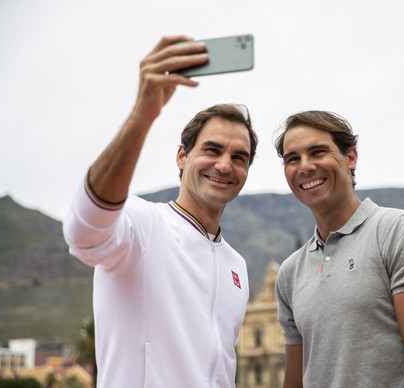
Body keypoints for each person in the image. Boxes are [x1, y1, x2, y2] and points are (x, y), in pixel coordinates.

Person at [62, 35, 258, 387]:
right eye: (212, 150)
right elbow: (83, 232)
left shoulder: (238, 266)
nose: (225, 165)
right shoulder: (142, 224)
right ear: (182, 156)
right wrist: (143, 113)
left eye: (238, 157)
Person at [274, 110, 404, 387]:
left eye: (318, 152)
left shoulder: (398, 232)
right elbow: (295, 380)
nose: (305, 166)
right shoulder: (290, 272)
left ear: (351, 157)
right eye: (293, 159)